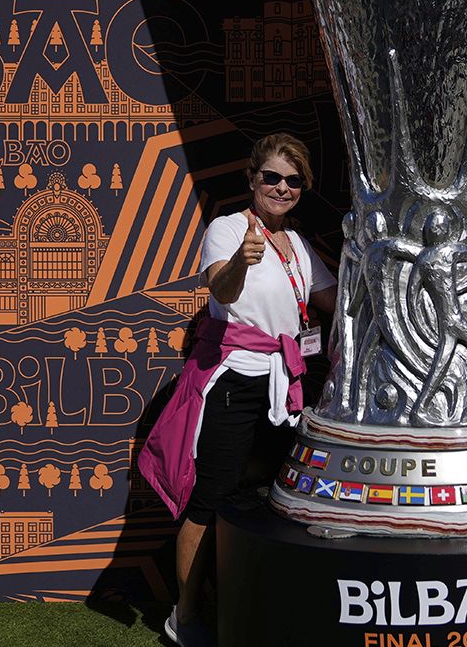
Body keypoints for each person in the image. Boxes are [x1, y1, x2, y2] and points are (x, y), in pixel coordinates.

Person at [140, 133, 336, 647]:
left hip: (287, 385)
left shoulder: (297, 244)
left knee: (283, 494)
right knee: (211, 497)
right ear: (252, 179)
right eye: (271, 176)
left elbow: (334, 302)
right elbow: (220, 291)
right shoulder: (228, 229)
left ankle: (263, 604)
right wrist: (240, 263)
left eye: (293, 180)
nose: (281, 187)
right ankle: (184, 616)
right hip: (233, 382)